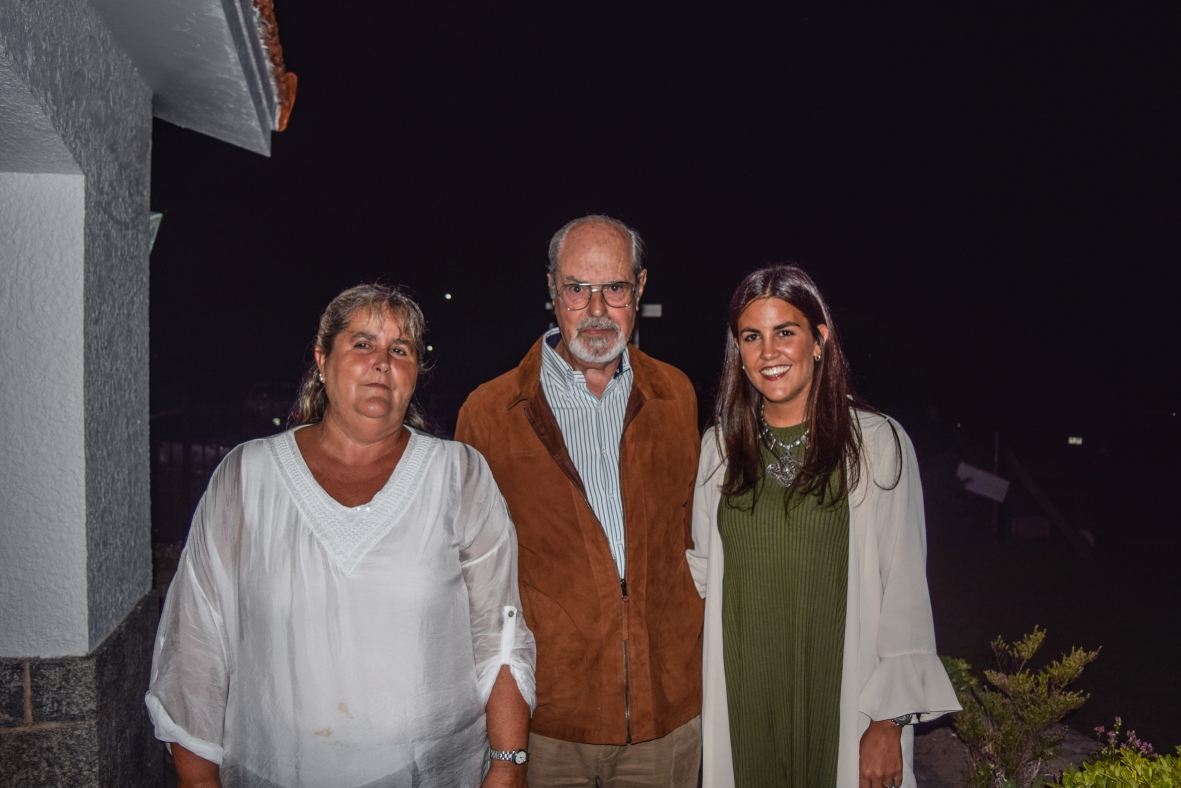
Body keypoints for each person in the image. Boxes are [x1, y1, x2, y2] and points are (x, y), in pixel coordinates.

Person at [145, 284, 536, 788]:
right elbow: (196, 639)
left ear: (416, 372)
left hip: (433, 773)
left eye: (401, 350)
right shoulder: (248, 477)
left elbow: (500, 633)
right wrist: (199, 780)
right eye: (363, 343)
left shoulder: (458, 475)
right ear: (322, 358)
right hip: (275, 772)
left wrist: (507, 765)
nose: (382, 363)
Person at [687, 265, 960, 788]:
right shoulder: (719, 450)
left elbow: (903, 588)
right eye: (752, 337)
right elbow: (704, 577)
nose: (768, 352)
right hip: (746, 700)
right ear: (737, 352)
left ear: (819, 340)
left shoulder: (877, 444)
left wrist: (888, 721)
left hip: (848, 706)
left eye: (785, 332)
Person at [455, 215, 704, 788]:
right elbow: (469, 586)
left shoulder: (676, 396)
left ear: (639, 288)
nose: (595, 309)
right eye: (576, 288)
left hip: (665, 722)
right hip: (545, 726)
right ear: (551, 288)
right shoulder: (490, 413)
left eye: (614, 288)